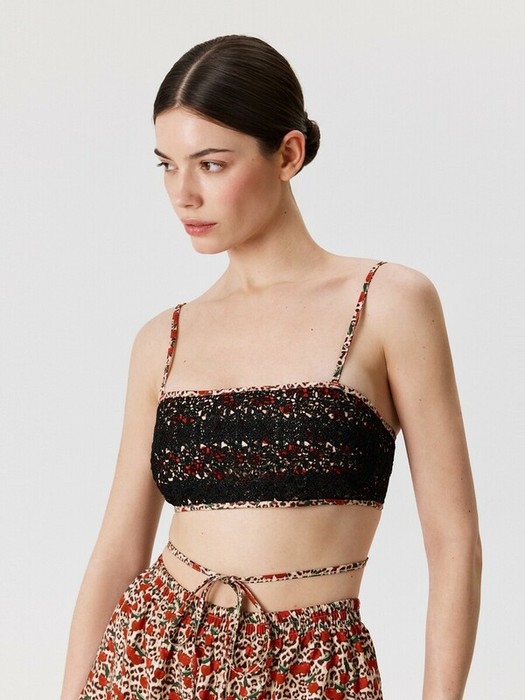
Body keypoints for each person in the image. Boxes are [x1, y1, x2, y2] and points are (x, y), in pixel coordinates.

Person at [60, 35, 482, 700]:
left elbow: (454, 543)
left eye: (211, 164)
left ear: (288, 154)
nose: (183, 194)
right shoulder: (162, 339)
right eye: (167, 166)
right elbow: (118, 549)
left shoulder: (388, 302)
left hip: (311, 670)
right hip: (149, 659)